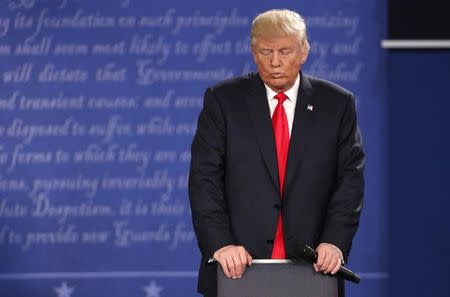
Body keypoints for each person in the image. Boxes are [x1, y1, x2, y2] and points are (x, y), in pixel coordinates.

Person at [188, 9, 365, 297]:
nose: (275, 62)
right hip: (237, 266)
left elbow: (350, 179)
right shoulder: (223, 101)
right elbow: (204, 178)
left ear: (304, 51)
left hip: (313, 269)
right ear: (253, 52)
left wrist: (335, 242)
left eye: (285, 51)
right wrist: (220, 244)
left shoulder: (337, 104)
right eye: (265, 52)